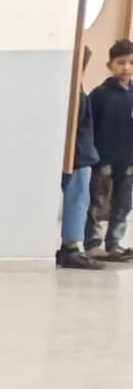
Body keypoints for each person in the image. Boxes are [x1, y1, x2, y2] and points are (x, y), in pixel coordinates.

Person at [85, 40, 133, 261]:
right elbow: (89, 126)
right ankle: (93, 244)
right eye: (121, 62)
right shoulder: (99, 94)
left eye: (131, 62)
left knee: (123, 203)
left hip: (128, 159)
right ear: (109, 65)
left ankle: (114, 243)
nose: (126, 67)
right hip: (103, 158)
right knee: (98, 201)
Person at [65, 49, 111, 270]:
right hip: (78, 156)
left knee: (79, 201)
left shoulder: (76, 88)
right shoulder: (75, 90)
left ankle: (72, 246)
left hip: (80, 155)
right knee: (78, 200)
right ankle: (71, 248)